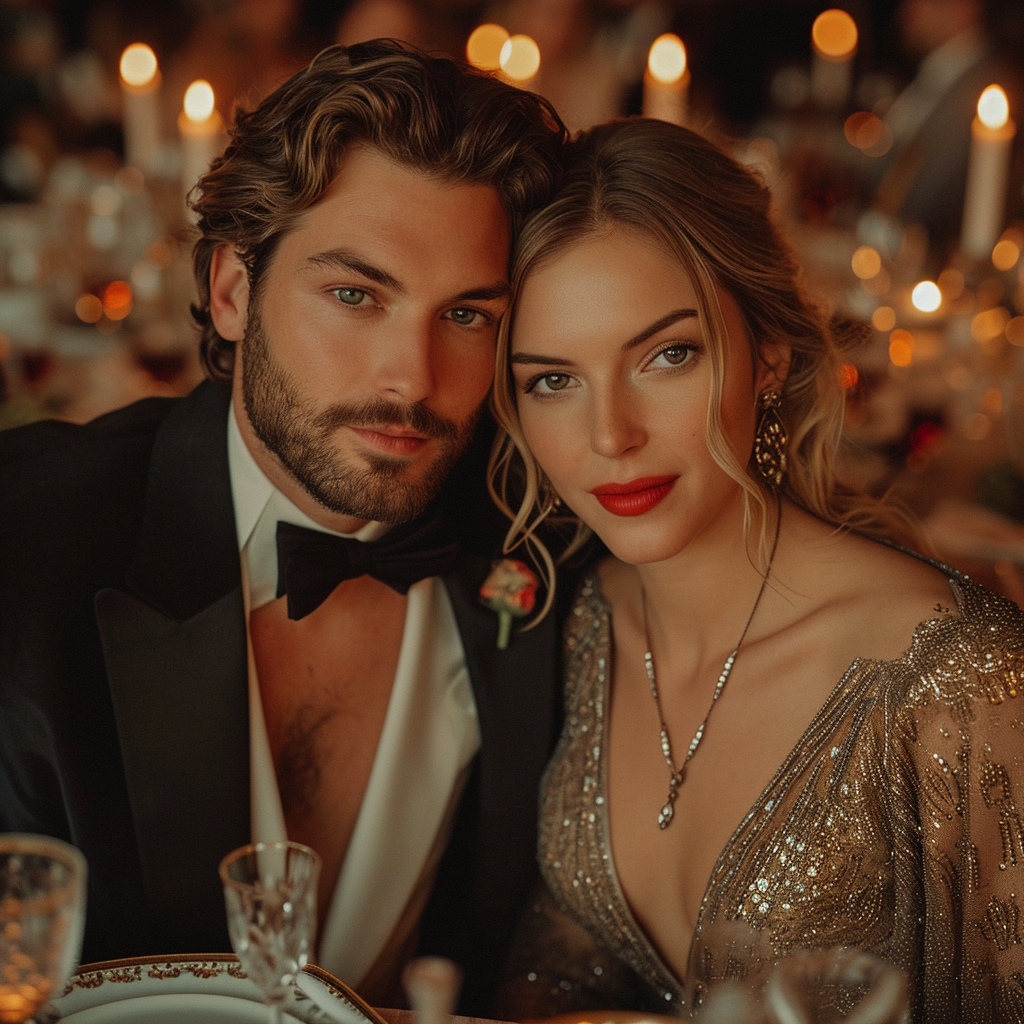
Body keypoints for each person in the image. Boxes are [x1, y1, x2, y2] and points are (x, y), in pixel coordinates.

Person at [0, 40, 568, 1012]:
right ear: (231, 290)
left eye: (468, 315)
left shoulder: (549, 535)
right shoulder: (23, 544)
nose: (411, 378)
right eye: (354, 295)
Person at [487, 117, 1024, 1022]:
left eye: (667, 356)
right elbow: (558, 967)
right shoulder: (588, 621)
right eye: (552, 380)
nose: (609, 436)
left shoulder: (956, 680)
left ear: (769, 351)